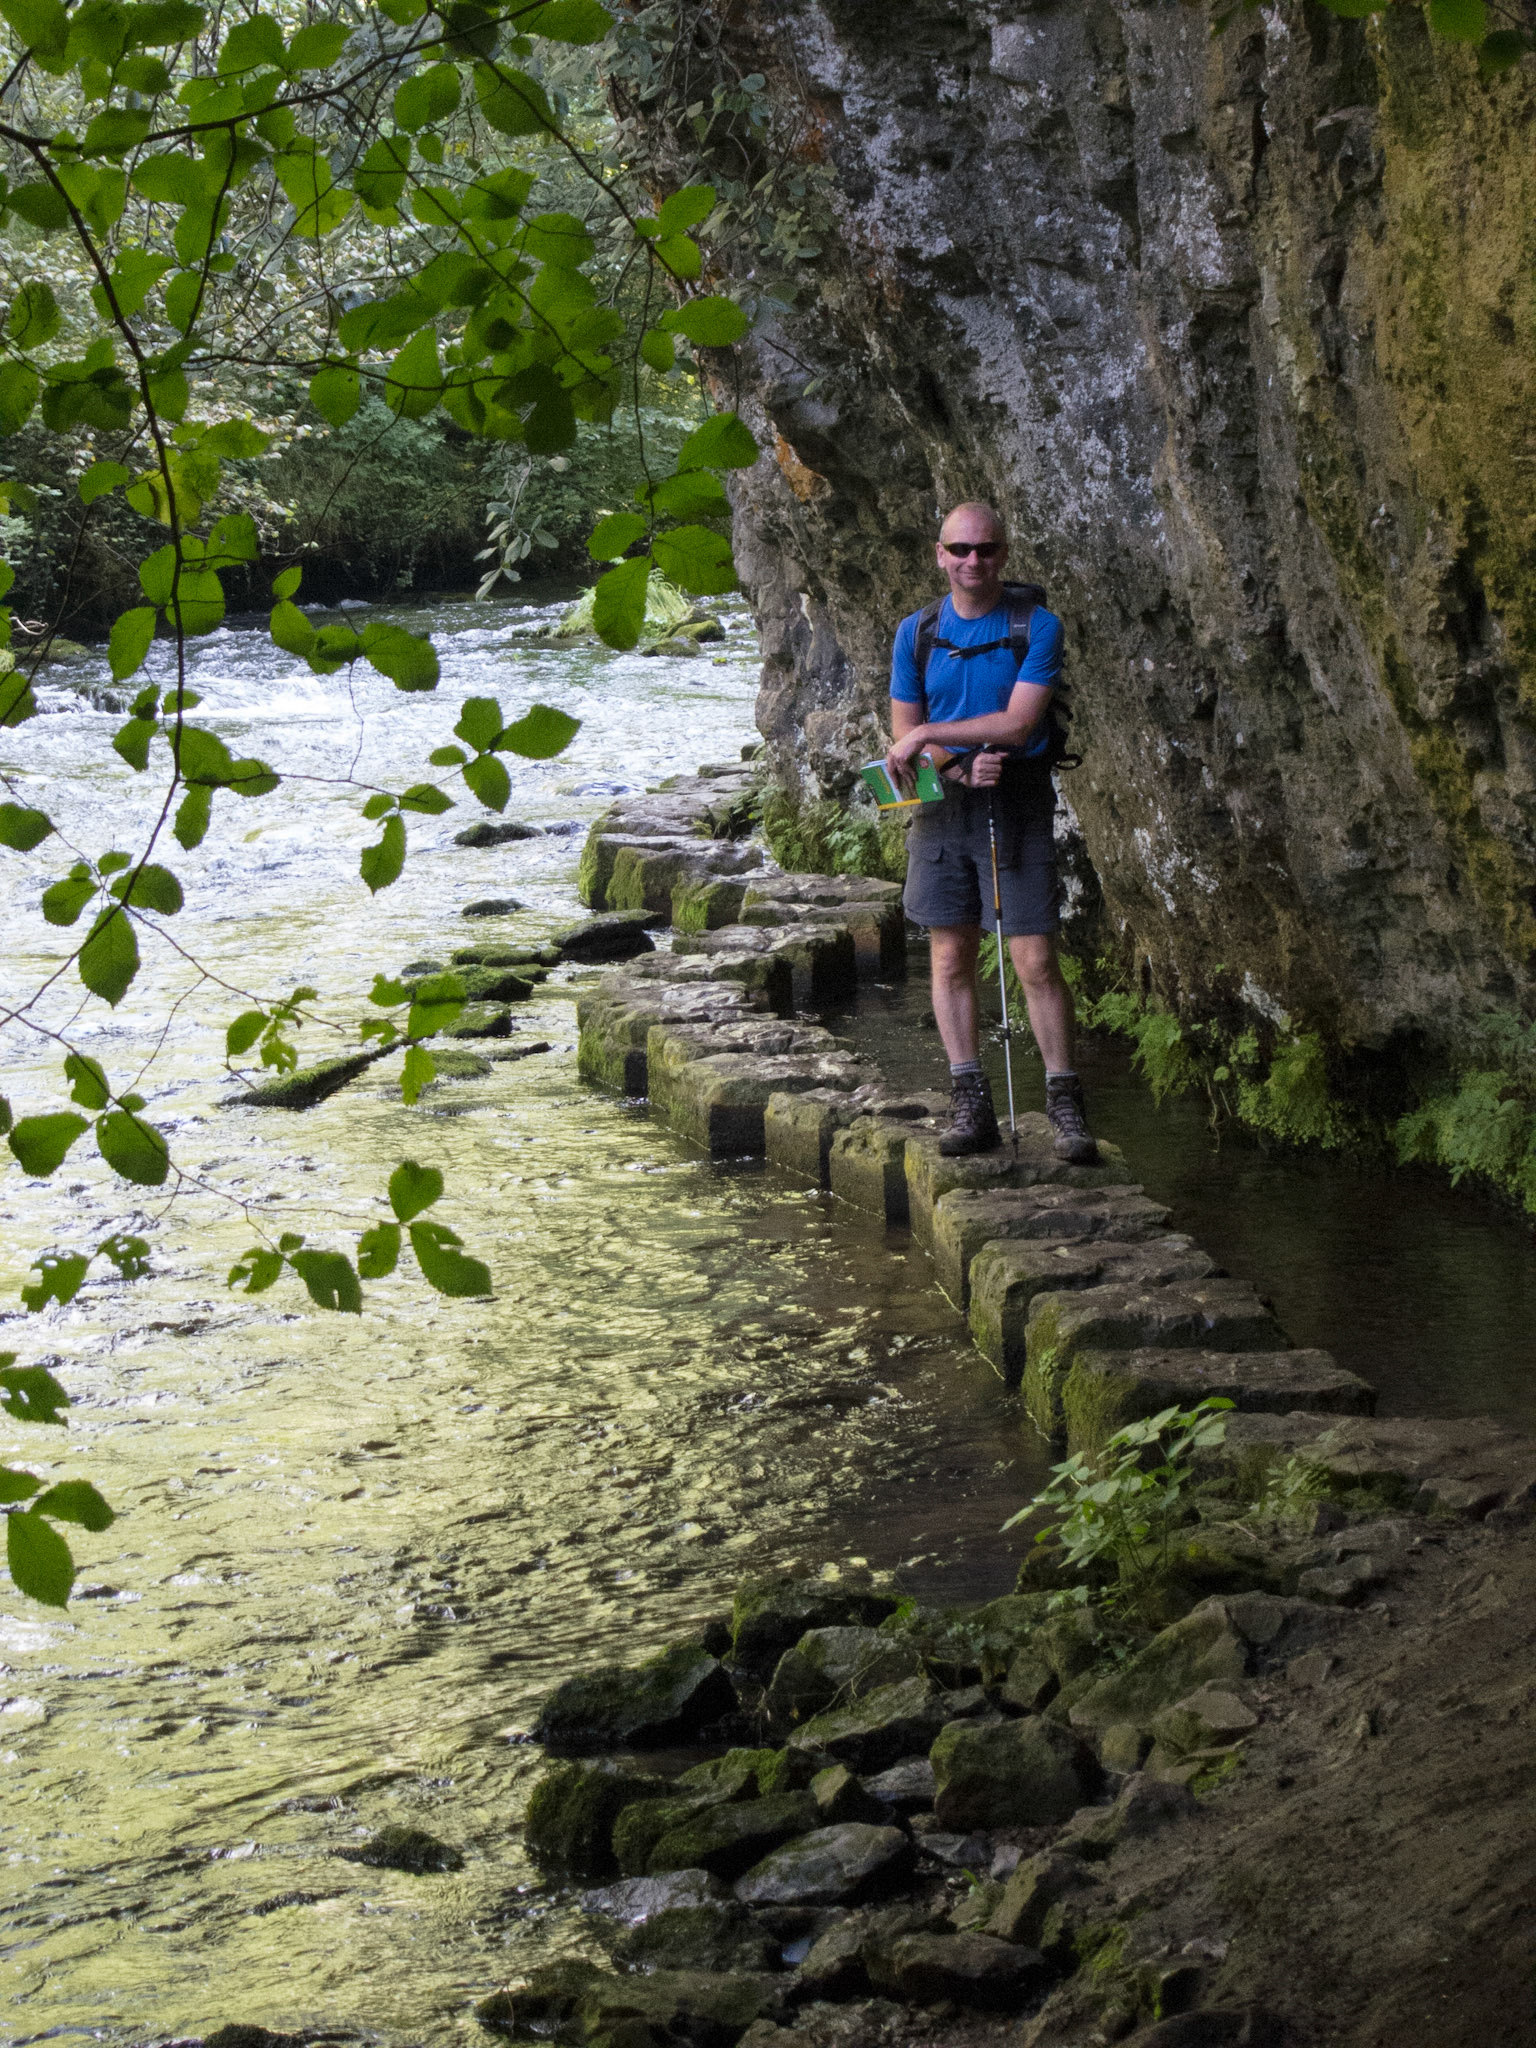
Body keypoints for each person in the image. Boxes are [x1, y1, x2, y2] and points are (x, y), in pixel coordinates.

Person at [884, 501, 1098, 1163]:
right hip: (946, 806)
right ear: (939, 554)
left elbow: (1018, 726)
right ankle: (969, 1098)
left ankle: (1065, 1104)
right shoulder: (915, 633)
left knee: (1034, 962)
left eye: (986, 550)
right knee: (950, 956)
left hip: (1018, 799)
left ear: (1004, 554)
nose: (973, 561)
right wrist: (950, 763)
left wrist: (930, 737)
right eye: (960, 549)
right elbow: (901, 741)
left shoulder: (1037, 627)